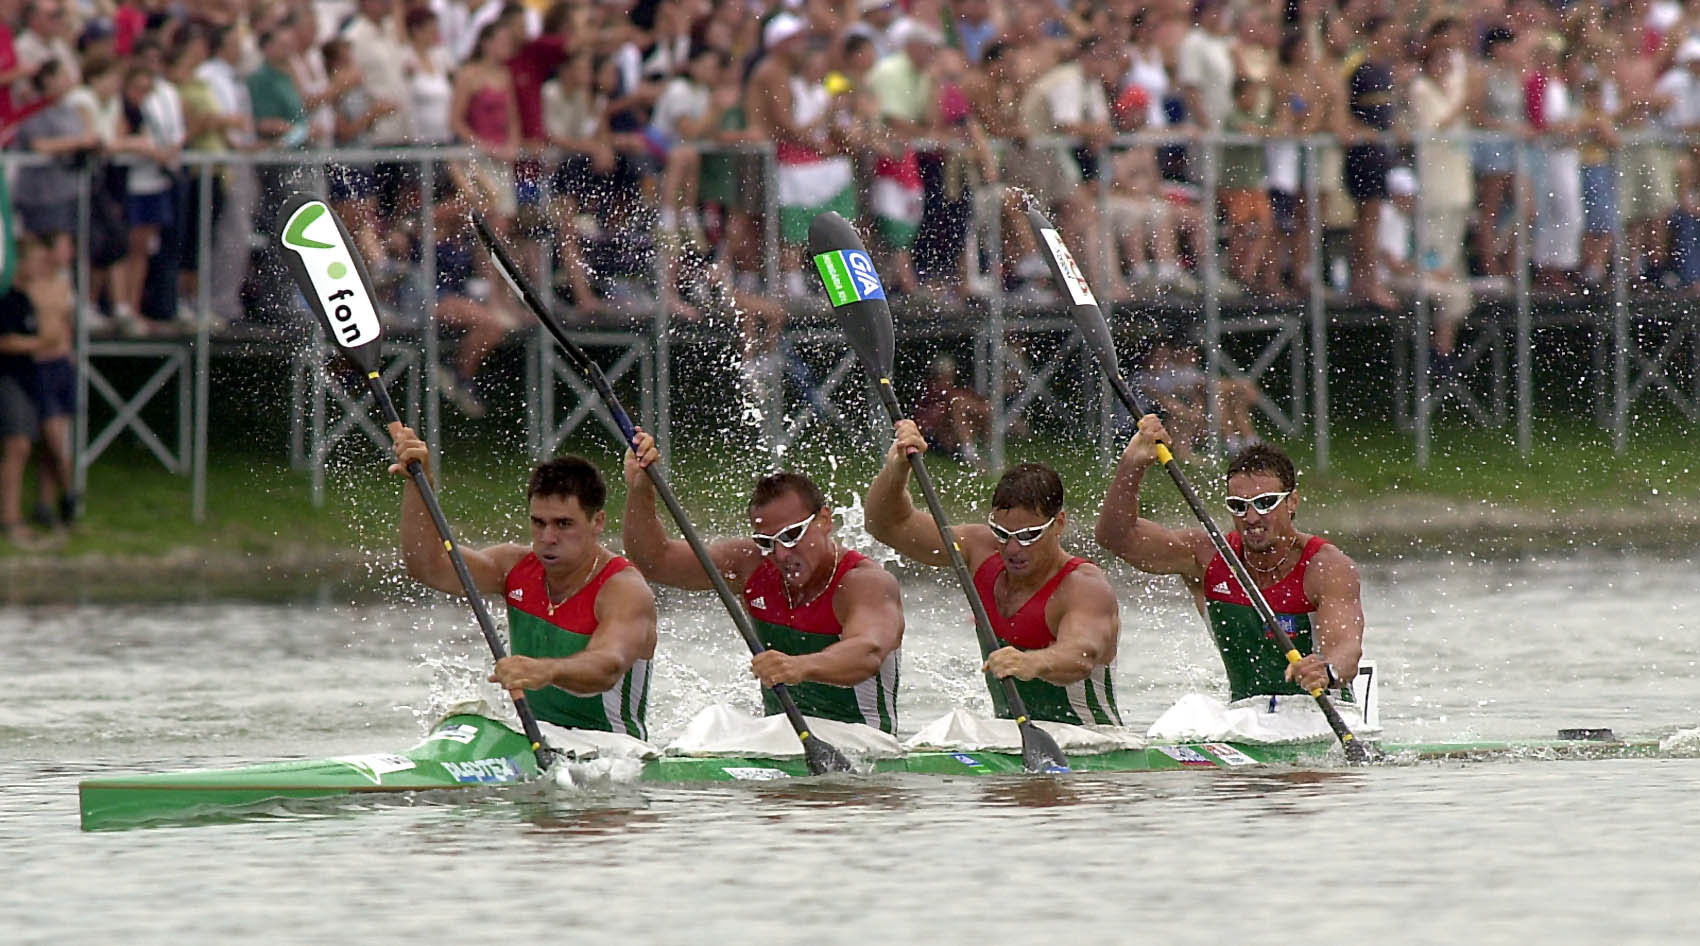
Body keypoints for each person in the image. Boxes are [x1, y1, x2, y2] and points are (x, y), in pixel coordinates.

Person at [621, 429, 905, 733]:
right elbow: (655, 561)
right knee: (712, 722)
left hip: (862, 740)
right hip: (780, 735)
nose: (781, 554)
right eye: (766, 542)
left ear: (824, 520)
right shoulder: (750, 563)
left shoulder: (864, 583)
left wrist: (799, 666)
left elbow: (868, 651)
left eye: (791, 535)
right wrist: (641, 490)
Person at [387, 423, 659, 740]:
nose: (548, 537)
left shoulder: (623, 589)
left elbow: (608, 667)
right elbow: (428, 566)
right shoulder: (513, 567)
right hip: (535, 740)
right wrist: (419, 484)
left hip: (613, 750)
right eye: (538, 523)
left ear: (597, 521)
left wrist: (547, 670)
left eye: (563, 524)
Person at [865, 421, 1123, 727]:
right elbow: (887, 525)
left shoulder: (1084, 586)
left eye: (1028, 536)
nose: (1012, 548)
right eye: (1002, 533)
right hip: (1010, 735)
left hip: (1091, 740)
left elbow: (1081, 655)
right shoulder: (979, 549)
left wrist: (1031, 662)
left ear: (1059, 524)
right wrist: (897, 469)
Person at [1096, 417, 1364, 710]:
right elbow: (1115, 537)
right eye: (1238, 506)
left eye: (1265, 503)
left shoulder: (1326, 567)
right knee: (1187, 712)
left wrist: (1326, 671)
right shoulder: (1206, 556)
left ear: (1292, 502)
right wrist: (1132, 464)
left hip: (1321, 712)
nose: (1251, 518)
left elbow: (1347, 650)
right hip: (1246, 716)